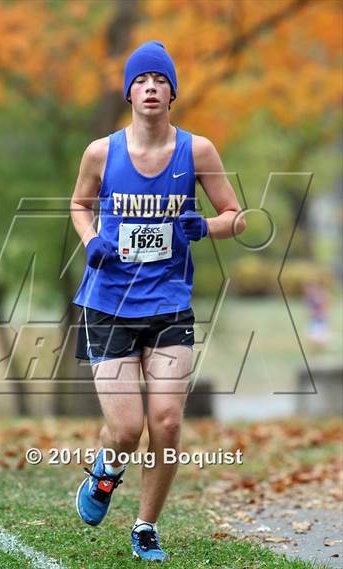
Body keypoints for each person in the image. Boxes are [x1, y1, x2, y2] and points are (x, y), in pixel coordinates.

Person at [70, 40, 246, 562]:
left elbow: (237, 216)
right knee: (126, 431)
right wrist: (91, 239)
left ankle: (145, 526)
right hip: (108, 303)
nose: (151, 87)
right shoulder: (101, 152)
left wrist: (205, 225)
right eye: (141, 80)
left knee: (166, 421)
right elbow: (79, 204)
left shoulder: (199, 151)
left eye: (160, 80)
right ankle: (106, 472)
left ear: (172, 93)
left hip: (169, 302)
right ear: (129, 93)